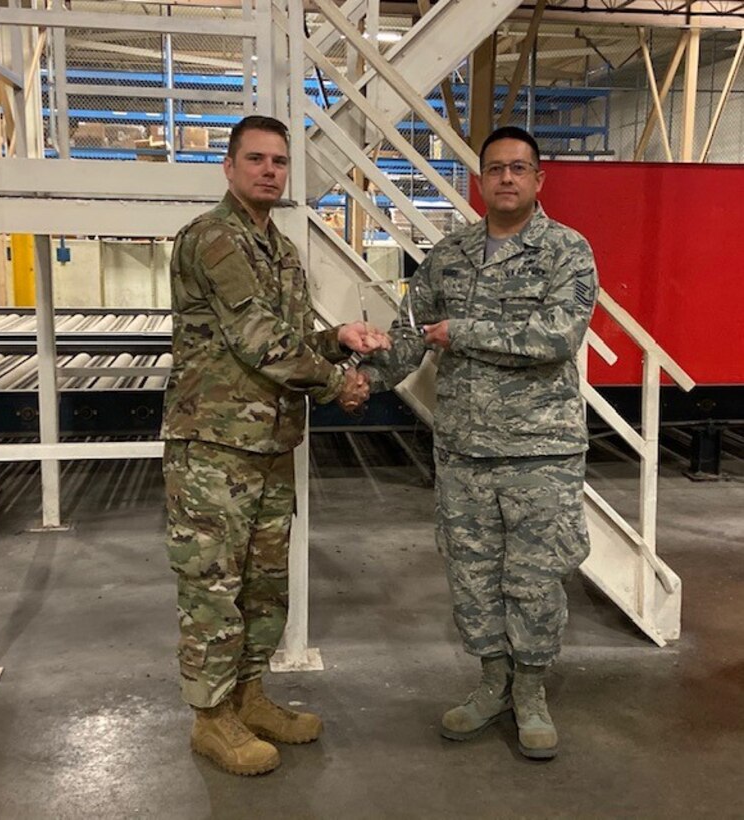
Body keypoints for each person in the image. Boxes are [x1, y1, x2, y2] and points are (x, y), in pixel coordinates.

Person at [161, 115, 390, 776]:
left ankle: (248, 697)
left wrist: (337, 341)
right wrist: (338, 382)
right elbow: (257, 341)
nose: (269, 170)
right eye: (255, 159)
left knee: (263, 587)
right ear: (229, 168)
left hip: (268, 445)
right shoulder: (213, 239)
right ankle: (210, 720)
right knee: (213, 585)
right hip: (212, 447)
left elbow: (286, 347)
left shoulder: (281, 250)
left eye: (279, 161)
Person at [362, 126, 598, 760]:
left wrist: (460, 331)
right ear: (481, 180)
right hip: (464, 452)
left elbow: (556, 336)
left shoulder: (566, 252)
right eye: (496, 169)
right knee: (472, 577)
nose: (507, 179)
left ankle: (532, 692)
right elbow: (410, 335)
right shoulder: (450, 254)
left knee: (536, 580)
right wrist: (354, 379)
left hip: (540, 454)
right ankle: (492, 683)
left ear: (538, 179)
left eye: (520, 168)